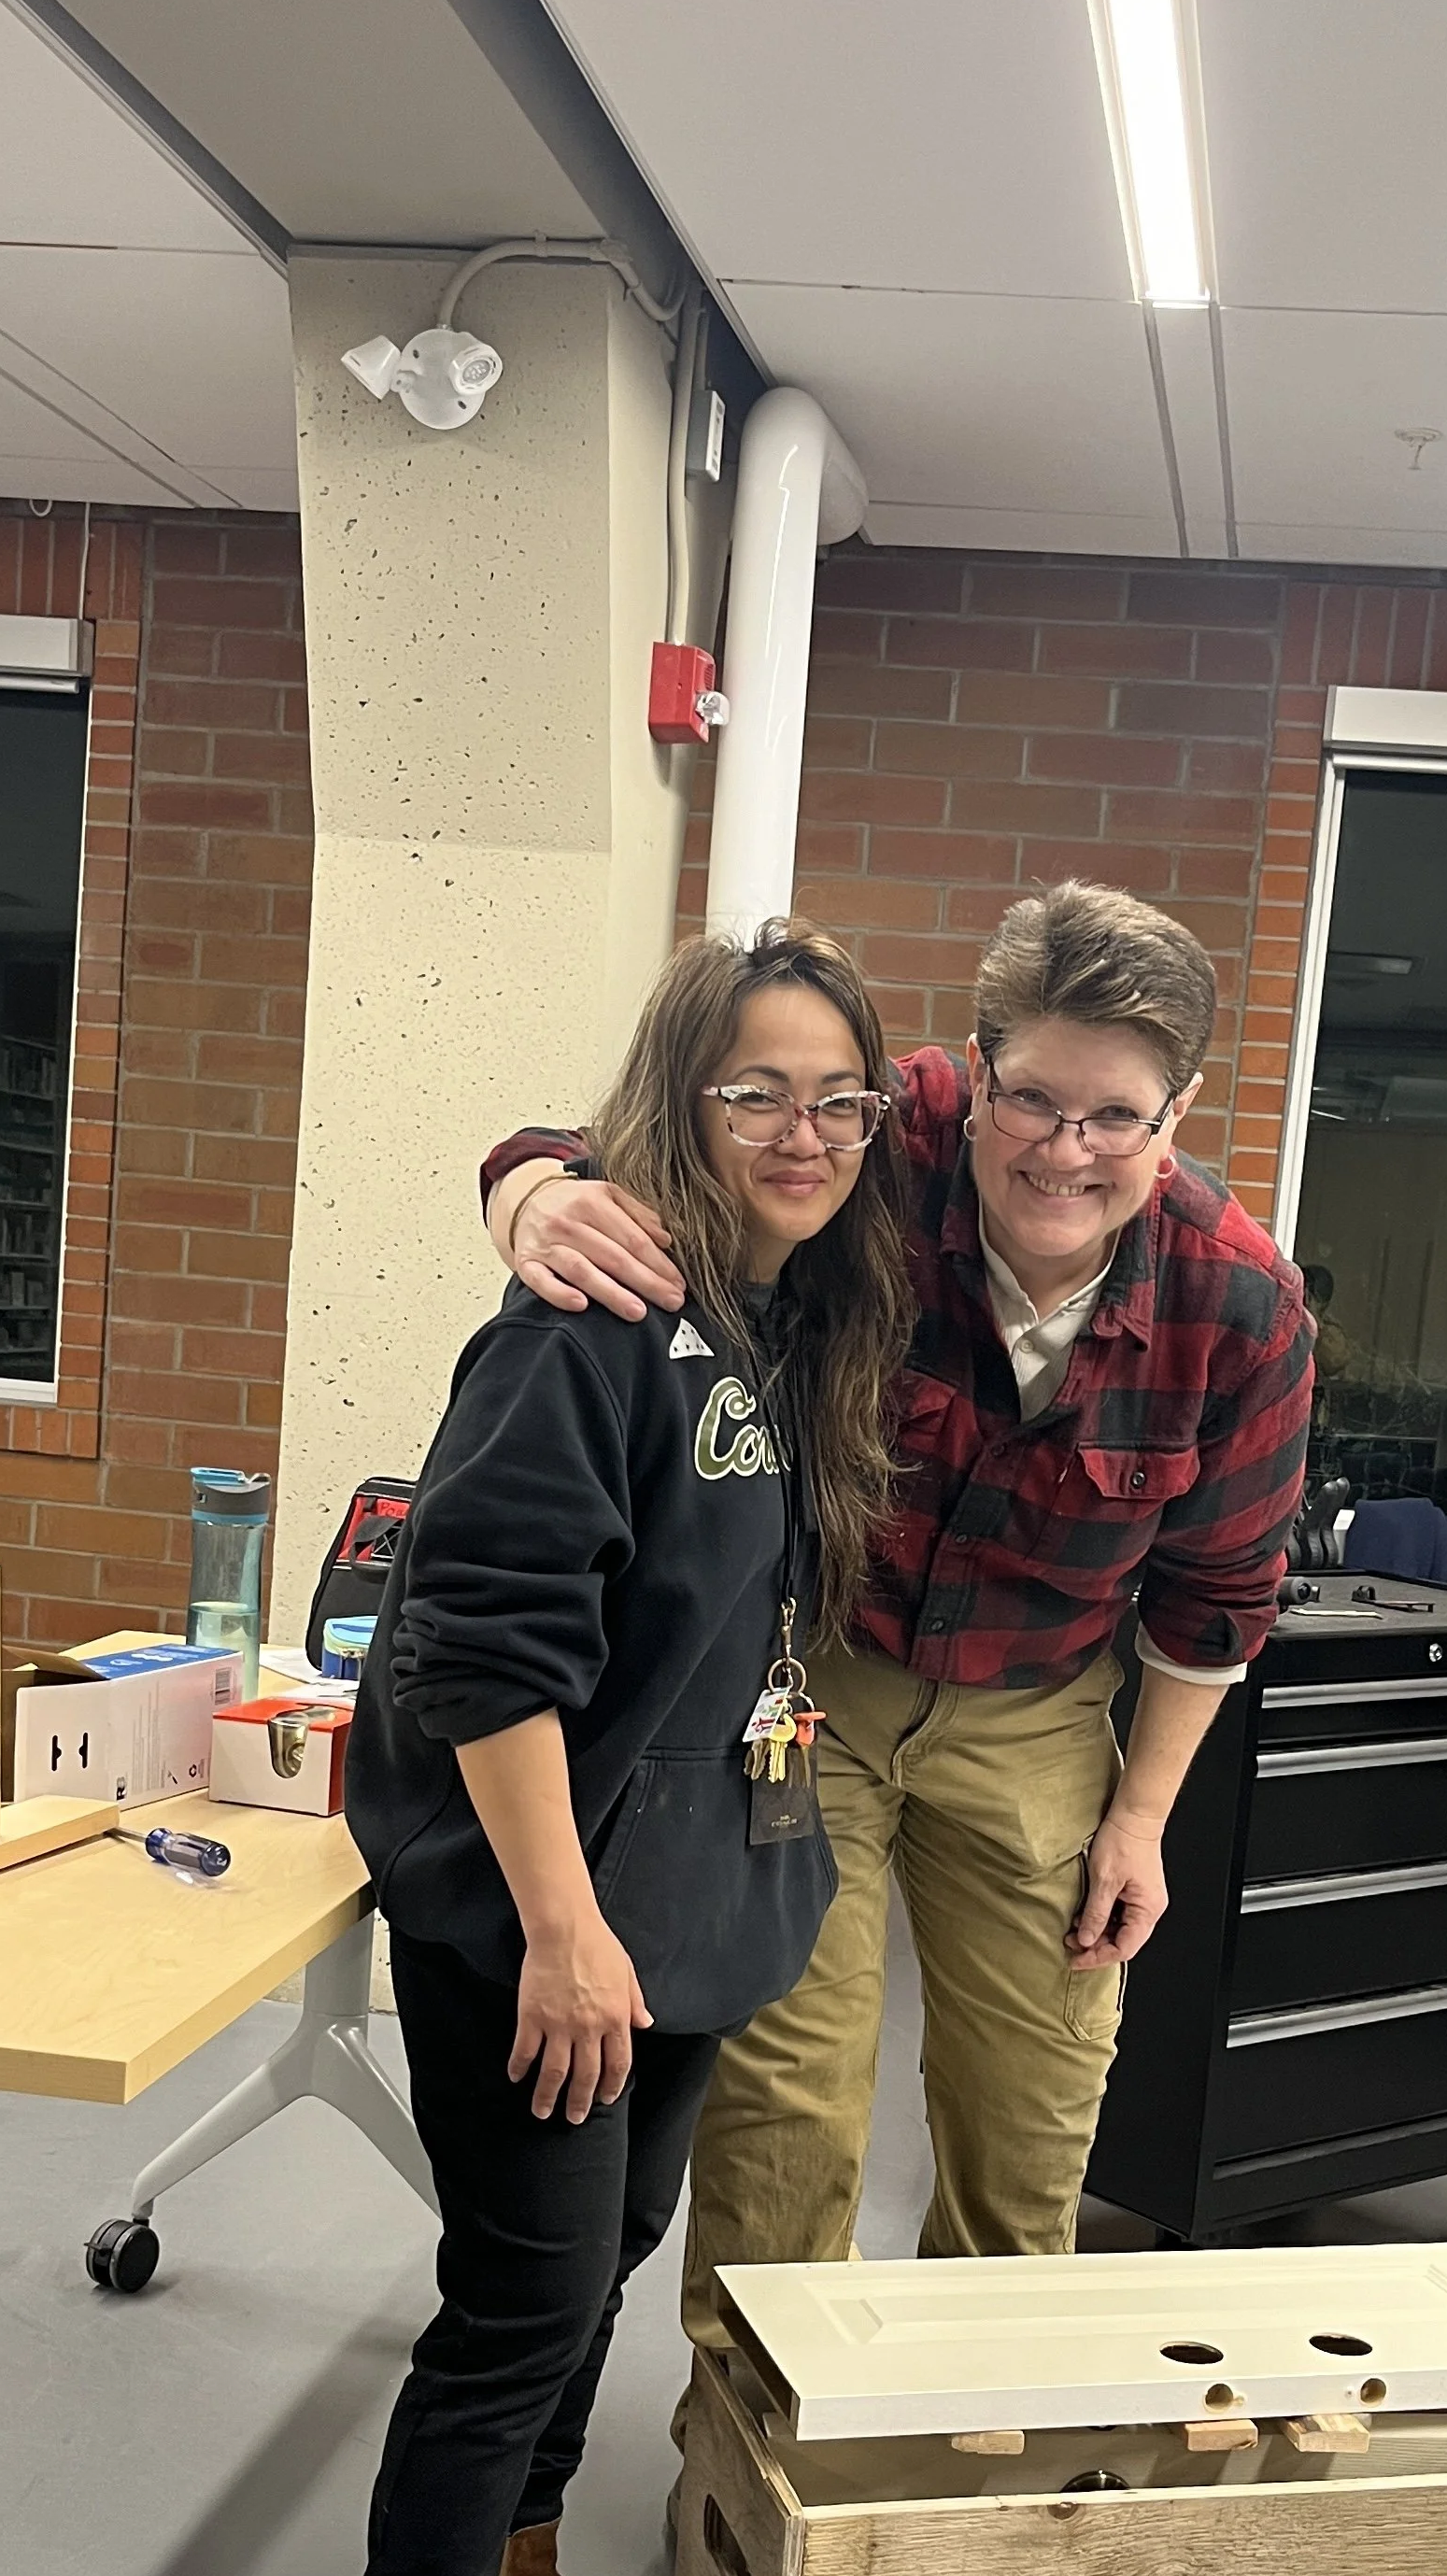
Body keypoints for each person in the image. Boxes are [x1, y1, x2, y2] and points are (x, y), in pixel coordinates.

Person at [483, 879, 1314, 2387]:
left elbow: (1216, 1597)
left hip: (1043, 1714)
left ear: (1178, 1114)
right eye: (1033, 1099)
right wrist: (533, 1195)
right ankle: (753, 2451)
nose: (1065, 1151)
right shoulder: (885, 1134)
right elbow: (629, 1145)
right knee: (784, 2098)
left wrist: (1140, 1821)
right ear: (976, 1072)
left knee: (1034, 2104)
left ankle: (967, 2449)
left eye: (1115, 1118)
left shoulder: (1241, 1309)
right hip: (816, 1684)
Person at [336, 921, 912, 2576]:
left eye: (839, 1099)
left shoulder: (783, 1314)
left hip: (676, 1889)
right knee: (517, 2301)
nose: (805, 1132)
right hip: (543, 1910)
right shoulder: (580, 1324)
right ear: (679, 1097)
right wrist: (565, 1937)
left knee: (605, 2260)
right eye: (758, 1091)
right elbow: (482, 1646)